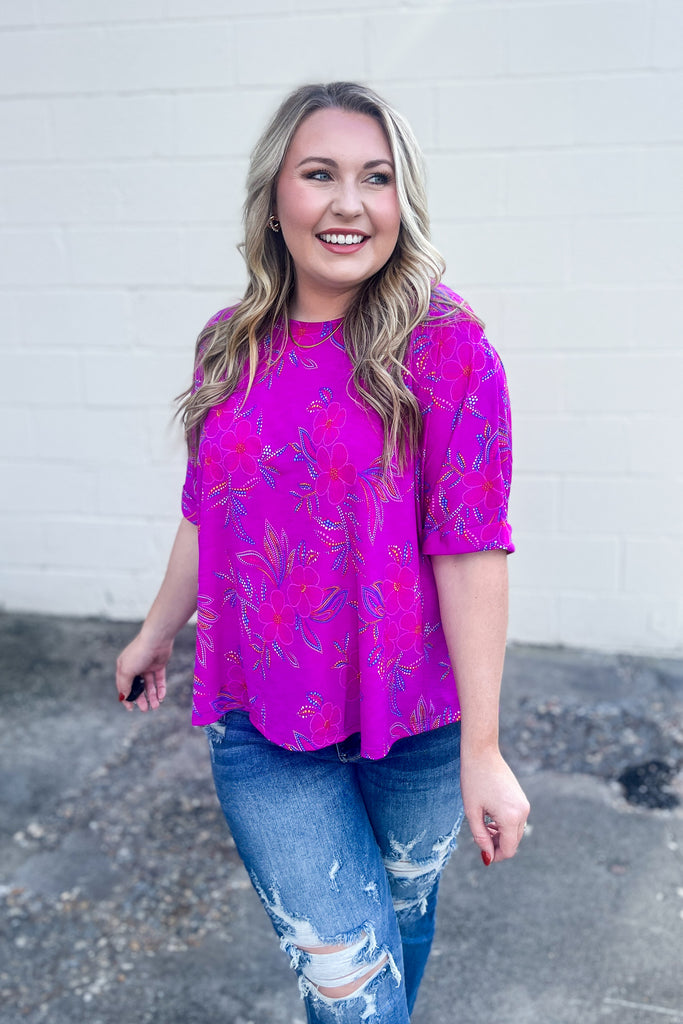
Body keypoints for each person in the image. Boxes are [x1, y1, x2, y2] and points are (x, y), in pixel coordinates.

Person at [116, 81, 530, 1023]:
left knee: (401, 920)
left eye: (375, 178)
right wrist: (155, 632)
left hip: (413, 721)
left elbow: (470, 548)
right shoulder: (228, 346)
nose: (350, 203)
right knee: (347, 983)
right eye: (320, 174)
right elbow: (207, 514)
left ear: (400, 200)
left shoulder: (448, 348)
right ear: (275, 197)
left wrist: (484, 750)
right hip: (262, 719)